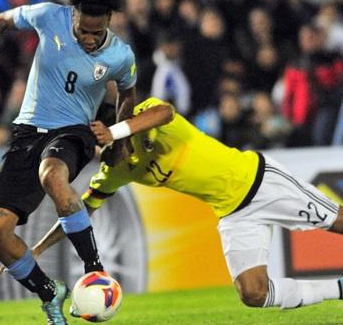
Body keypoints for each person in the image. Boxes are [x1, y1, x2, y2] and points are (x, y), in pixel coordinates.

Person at [26, 97, 343, 314]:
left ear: (110, 132)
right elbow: (79, 210)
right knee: (253, 293)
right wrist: (38, 248)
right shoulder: (114, 172)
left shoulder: (146, 117)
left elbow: (166, 111)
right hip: (232, 212)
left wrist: (117, 131)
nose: (99, 157)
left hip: (259, 181)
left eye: (99, 147)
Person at [0, 0, 137, 325]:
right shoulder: (46, 15)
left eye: (96, 32)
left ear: (108, 22)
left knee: (52, 175)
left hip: (73, 131)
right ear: (73, 14)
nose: (89, 39)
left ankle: (93, 269)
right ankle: (48, 293)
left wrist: (120, 139)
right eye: (83, 31)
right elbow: (1, 22)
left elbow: (128, 96)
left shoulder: (121, 55)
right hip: (27, 132)